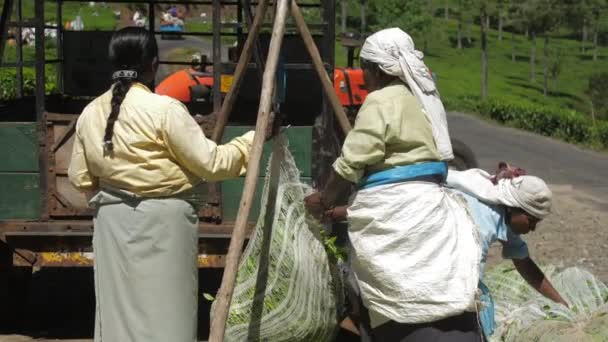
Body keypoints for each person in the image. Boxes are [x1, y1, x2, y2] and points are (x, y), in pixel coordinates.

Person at [67, 27, 272, 342]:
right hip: (165, 224)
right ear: (153, 65)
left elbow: (81, 178)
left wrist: (121, 198)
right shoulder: (164, 110)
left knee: (118, 313)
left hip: (112, 224)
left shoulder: (90, 113)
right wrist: (255, 139)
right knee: (168, 312)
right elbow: (213, 164)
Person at [305, 28, 482, 341]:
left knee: (396, 290)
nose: (363, 76)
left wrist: (324, 201)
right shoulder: (422, 99)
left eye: (364, 68)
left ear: (375, 69)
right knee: (434, 284)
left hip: (396, 210)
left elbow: (352, 162)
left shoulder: (380, 101)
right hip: (429, 207)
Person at [325, 164, 569, 340]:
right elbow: (401, 207)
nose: (533, 228)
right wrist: (340, 212)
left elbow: (526, 265)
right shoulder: (475, 219)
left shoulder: (504, 220)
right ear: (516, 207)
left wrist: (562, 304)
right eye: (532, 220)